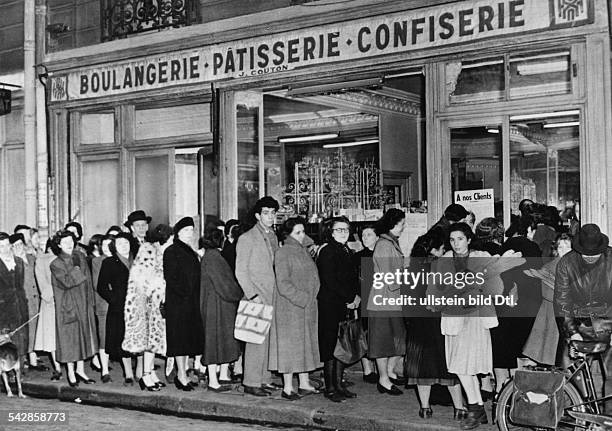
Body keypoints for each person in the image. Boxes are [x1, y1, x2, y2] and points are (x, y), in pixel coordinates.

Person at [427, 223, 524, 429]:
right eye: (452, 240)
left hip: (474, 317)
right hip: (453, 317)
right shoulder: (444, 262)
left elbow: (496, 288)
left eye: (460, 239)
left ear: (469, 239)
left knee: (465, 365)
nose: (456, 244)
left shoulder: (481, 257)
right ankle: (477, 408)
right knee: (460, 366)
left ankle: (475, 408)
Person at [404, 227, 466, 420]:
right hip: (440, 323)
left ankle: (425, 408)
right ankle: (460, 408)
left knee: (422, 368)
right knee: (449, 365)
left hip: (418, 326)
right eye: (441, 248)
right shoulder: (443, 268)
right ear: (434, 250)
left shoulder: (410, 270)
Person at [269, 217, 321, 400]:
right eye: (297, 232)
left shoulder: (302, 250)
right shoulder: (283, 252)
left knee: (304, 347)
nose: (302, 236)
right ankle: (288, 387)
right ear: (288, 235)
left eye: (303, 231)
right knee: (290, 349)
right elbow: (283, 284)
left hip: (305, 307)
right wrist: (304, 299)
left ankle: (305, 383)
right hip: (290, 308)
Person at [235, 196, 281, 397]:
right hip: (256, 296)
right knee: (255, 340)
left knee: (268, 339)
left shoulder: (273, 236)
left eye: (273, 213)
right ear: (257, 215)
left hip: (272, 295)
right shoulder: (247, 238)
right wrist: (252, 295)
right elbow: (241, 271)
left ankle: (264, 379)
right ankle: (251, 381)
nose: (270, 216)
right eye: (266, 213)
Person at [123, 224, 173, 391]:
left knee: (153, 341)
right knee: (148, 340)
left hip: (155, 303)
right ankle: (145, 375)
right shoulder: (148, 250)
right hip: (147, 304)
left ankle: (150, 372)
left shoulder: (158, 251)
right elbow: (142, 278)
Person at [317, 216, 360, 402]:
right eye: (339, 230)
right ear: (330, 232)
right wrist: (350, 298)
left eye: (346, 229)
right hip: (330, 305)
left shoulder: (345, 249)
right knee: (330, 347)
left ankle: (339, 384)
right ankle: (330, 387)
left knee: (342, 345)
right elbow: (330, 280)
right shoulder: (328, 251)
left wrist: (355, 297)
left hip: (343, 304)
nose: (343, 233)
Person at [49, 229, 97, 387]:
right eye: (65, 242)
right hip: (68, 306)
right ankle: (70, 372)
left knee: (83, 337)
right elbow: (68, 282)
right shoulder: (56, 264)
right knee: (70, 340)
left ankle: (80, 370)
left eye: (71, 241)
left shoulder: (80, 256)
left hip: (83, 303)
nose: (69, 245)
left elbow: (88, 280)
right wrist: (76, 269)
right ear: (58, 244)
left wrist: (91, 301)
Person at [163, 216, 205, 391]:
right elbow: (171, 278)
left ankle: (184, 372)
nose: (189, 234)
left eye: (191, 230)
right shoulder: (172, 251)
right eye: (186, 230)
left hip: (190, 302)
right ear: (178, 233)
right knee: (180, 340)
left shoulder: (190, 250)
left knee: (187, 339)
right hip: (179, 303)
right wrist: (186, 294)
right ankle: (181, 375)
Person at [199, 229, 243, 392]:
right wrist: (240, 294)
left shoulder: (210, 256)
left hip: (216, 304)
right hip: (217, 305)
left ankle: (222, 376)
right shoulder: (215, 258)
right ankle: (213, 381)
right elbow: (226, 285)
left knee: (220, 341)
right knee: (214, 342)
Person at [369, 209, 407, 396]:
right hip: (384, 300)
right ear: (393, 224)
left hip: (391, 300)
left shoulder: (390, 242)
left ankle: (389, 371)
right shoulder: (384, 244)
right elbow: (388, 275)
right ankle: (383, 379)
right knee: (382, 342)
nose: (403, 228)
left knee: (398, 339)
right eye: (401, 224)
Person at [554, 224, 612, 345]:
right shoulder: (566, 263)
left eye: (594, 254)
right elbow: (562, 301)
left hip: (608, 324)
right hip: (578, 324)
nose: (590, 258)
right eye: (586, 254)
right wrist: (572, 332)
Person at [523, 233, 573, 366]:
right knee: (553, 353)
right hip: (551, 315)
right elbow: (547, 294)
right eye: (560, 247)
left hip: (566, 314)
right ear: (556, 249)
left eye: (567, 247)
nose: (564, 251)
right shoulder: (549, 268)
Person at [97, 232, 137, 386]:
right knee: (123, 339)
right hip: (120, 307)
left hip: (138, 306)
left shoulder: (138, 259)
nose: (124, 246)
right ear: (115, 247)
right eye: (120, 244)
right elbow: (101, 286)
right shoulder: (109, 262)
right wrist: (114, 299)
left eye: (126, 243)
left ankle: (141, 371)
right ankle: (128, 373)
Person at [10, 233, 42, 370]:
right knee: (25, 332)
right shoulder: (12, 261)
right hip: (24, 301)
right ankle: (23, 363)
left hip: (36, 299)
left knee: (34, 330)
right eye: (14, 245)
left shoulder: (32, 258)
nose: (18, 247)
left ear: (24, 244)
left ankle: (33, 360)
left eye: (20, 244)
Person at [352, 224, 378, 384]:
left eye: (369, 234)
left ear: (377, 236)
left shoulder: (382, 254)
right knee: (365, 333)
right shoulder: (358, 257)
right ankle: (367, 368)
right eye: (363, 235)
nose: (365, 238)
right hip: (364, 299)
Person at [33, 239, 62, 380]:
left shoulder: (69, 258)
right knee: (52, 337)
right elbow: (43, 285)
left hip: (66, 302)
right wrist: (53, 294)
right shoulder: (42, 260)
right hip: (50, 302)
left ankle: (67, 367)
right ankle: (57, 367)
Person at [0, 232, 29, 359]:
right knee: (5, 346)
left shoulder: (19, 261)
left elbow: (20, 286)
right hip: (3, 311)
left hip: (20, 308)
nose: (5, 249)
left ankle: (18, 374)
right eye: (1, 246)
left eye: (7, 245)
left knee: (20, 343)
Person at [91, 235, 113, 382]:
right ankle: (104, 371)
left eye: (109, 244)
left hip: (120, 304)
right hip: (104, 303)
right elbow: (98, 283)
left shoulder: (122, 259)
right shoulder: (97, 261)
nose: (105, 248)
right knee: (104, 337)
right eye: (103, 245)